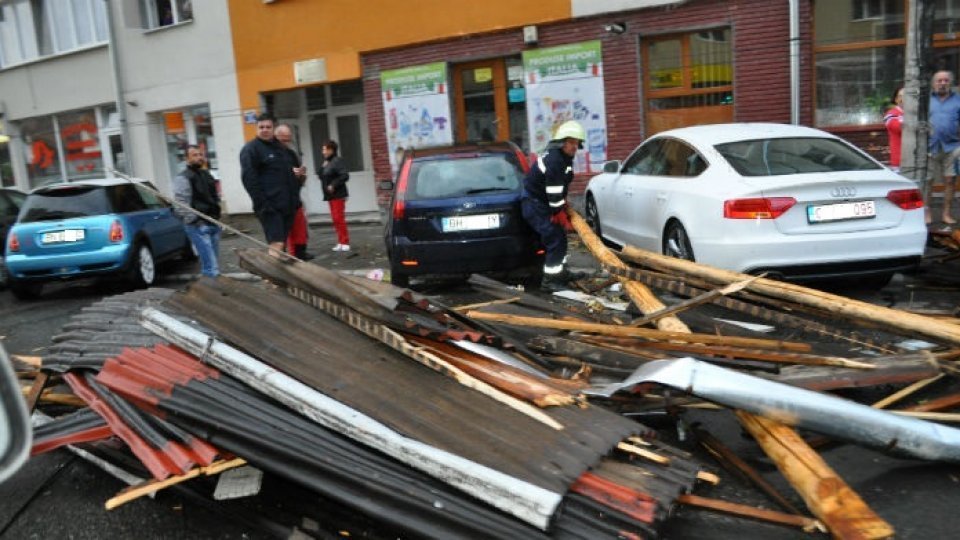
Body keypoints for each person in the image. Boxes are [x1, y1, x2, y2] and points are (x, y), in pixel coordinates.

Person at [521, 120, 588, 291]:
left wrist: (562, 205)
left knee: (560, 237)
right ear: (561, 142)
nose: (574, 146)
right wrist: (559, 212)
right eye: (571, 142)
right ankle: (549, 281)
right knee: (555, 238)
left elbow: (559, 188)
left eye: (576, 143)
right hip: (535, 204)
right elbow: (553, 192)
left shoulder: (563, 158)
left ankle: (560, 273)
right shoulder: (555, 160)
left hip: (543, 202)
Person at [239, 113, 301, 258]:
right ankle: (272, 271)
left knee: (281, 243)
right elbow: (249, 180)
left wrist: (295, 199)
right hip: (269, 207)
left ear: (273, 128)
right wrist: (263, 205)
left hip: (287, 205)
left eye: (268, 127)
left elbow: (288, 174)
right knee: (276, 243)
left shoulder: (280, 149)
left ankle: (278, 271)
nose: (265, 130)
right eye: (261, 127)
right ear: (256, 128)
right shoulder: (251, 149)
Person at [173, 145, 221, 277]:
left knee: (214, 264)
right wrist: (196, 221)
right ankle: (211, 288)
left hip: (213, 222)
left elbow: (214, 197)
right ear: (187, 158)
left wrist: (217, 217)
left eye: (200, 154)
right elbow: (181, 204)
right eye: (195, 155)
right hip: (198, 226)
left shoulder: (207, 175)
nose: (199, 157)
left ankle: (213, 286)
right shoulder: (183, 178)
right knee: (210, 267)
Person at [275, 124, 312, 260]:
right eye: (283, 140)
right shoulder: (272, 154)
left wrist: (301, 175)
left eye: (288, 139)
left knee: (300, 228)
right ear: (276, 137)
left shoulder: (291, 154)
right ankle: (286, 255)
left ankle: (300, 253)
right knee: (284, 231)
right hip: (280, 198)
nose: (286, 143)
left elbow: (299, 176)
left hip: (294, 196)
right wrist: (290, 173)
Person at [927, 70, 960, 225]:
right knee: (928, 181)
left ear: (950, 83)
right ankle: (927, 213)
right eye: (939, 81)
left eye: (945, 80)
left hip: (952, 146)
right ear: (934, 84)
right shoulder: (927, 101)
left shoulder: (957, 100)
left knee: (950, 180)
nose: (942, 83)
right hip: (929, 147)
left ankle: (946, 214)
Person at [318, 140, 351, 251]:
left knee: (339, 218)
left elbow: (345, 175)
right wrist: (322, 167)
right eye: (323, 149)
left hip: (338, 194)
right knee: (335, 219)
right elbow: (321, 176)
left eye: (325, 149)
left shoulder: (337, 161)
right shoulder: (327, 162)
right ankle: (340, 242)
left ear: (331, 150)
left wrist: (333, 185)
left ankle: (345, 242)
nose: (323, 152)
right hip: (330, 196)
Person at [884, 86, 904, 173]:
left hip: (917, 160)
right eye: (901, 96)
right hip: (899, 162)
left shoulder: (918, 114)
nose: (903, 99)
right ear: (896, 99)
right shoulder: (891, 114)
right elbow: (898, 128)